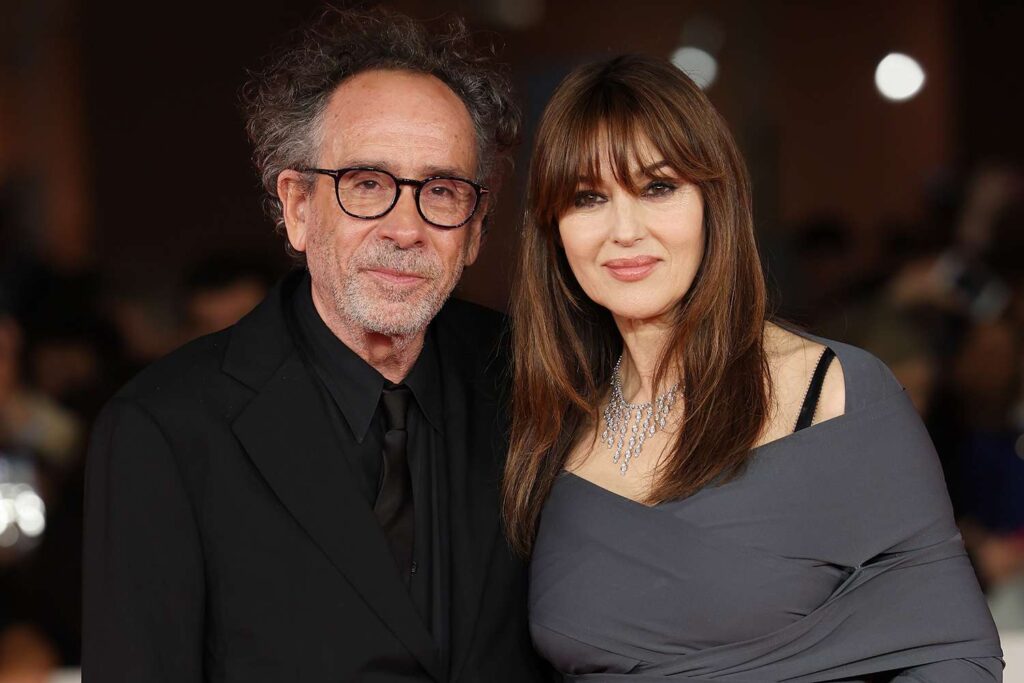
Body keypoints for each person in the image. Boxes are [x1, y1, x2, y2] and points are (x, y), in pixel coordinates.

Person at [83, 7, 549, 682]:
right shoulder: (164, 429)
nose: (406, 228)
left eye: (441, 191)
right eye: (367, 185)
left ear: (474, 229)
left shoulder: (532, 378)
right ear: (298, 207)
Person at [503, 54, 1004, 681]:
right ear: (554, 229)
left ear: (716, 201)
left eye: (657, 187)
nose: (623, 230)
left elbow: (952, 655)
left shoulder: (838, 394)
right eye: (588, 198)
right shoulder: (551, 422)